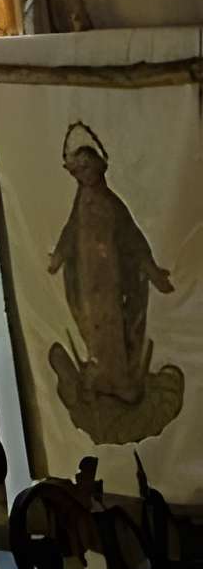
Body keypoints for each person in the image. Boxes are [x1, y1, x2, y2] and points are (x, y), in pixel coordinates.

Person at [47, 120, 183, 442]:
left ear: (100, 168)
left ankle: (119, 378)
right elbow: (69, 232)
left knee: (115, 332)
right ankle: (104, 377)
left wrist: (151, 270)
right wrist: (58, 259)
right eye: (78, 171)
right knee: (95, 330)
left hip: (112, 285)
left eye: (88, 168)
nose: (84, 175)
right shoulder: (81, 203)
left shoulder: (110, 203)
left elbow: (133, 238)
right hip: (90, 284)